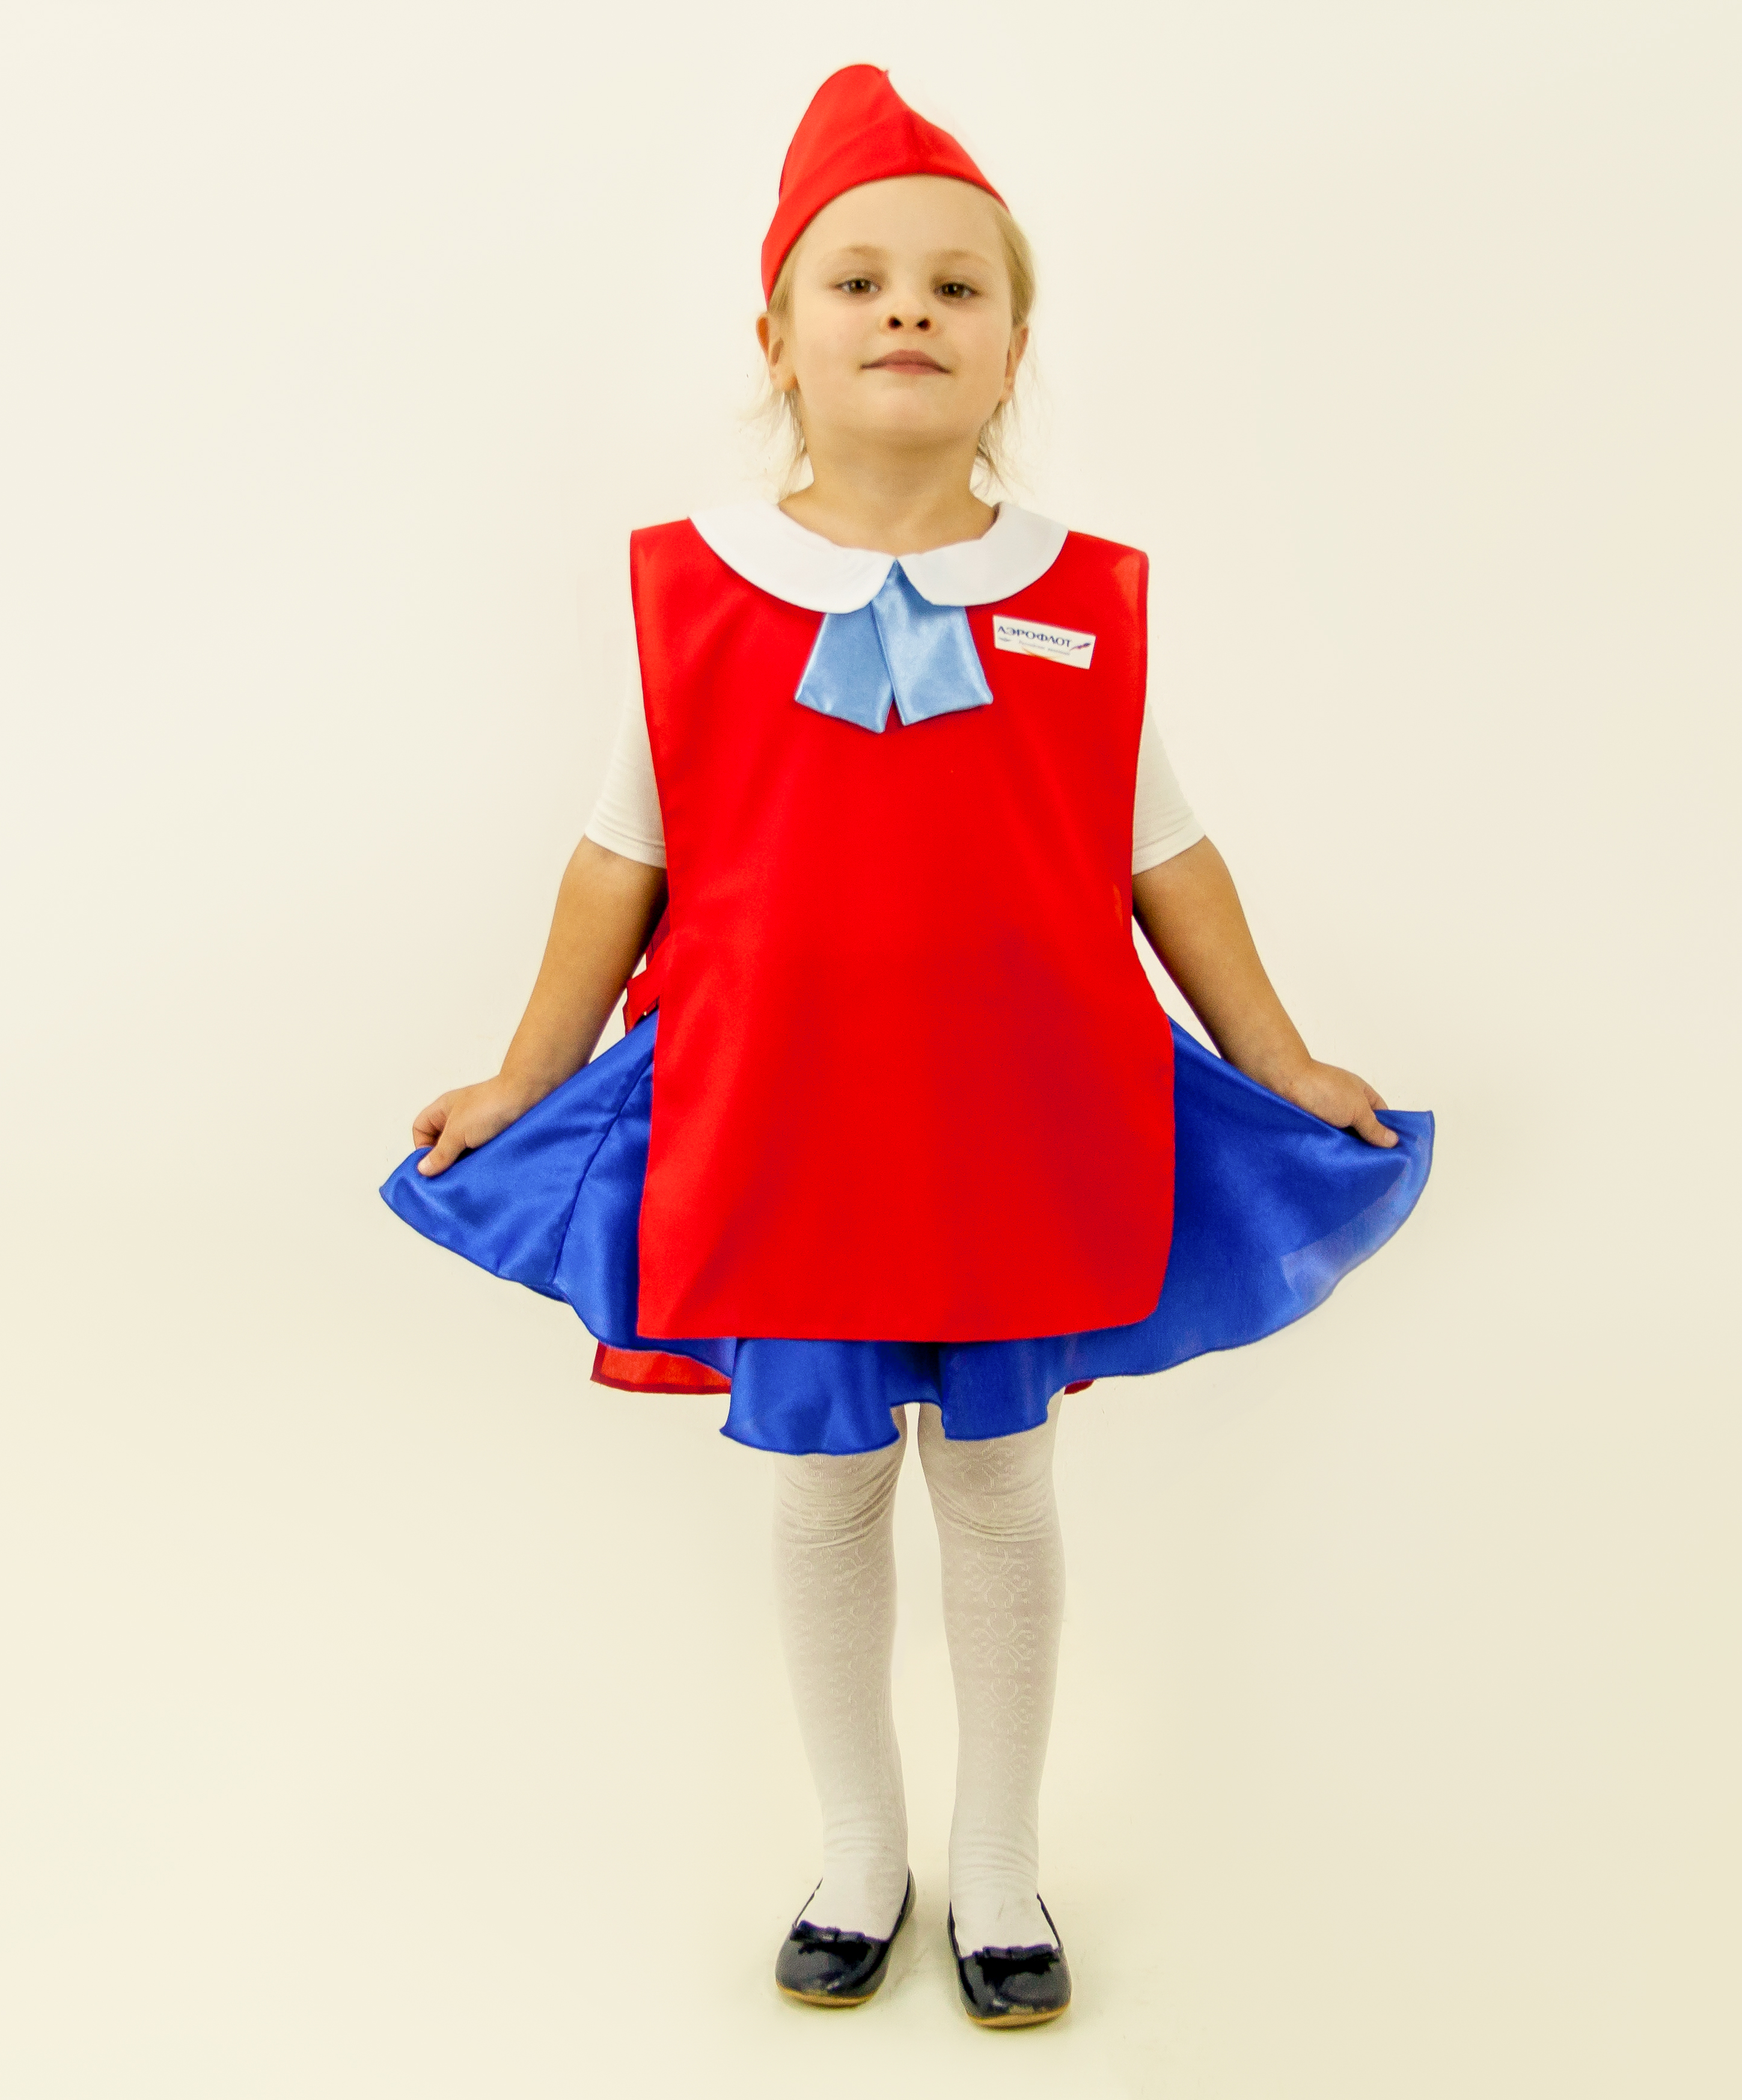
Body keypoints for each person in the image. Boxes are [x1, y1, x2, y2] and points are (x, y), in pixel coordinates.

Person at [383, 64, 1432, 2030]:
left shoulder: (1081, 599)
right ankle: (859, 1853)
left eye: (957, 287)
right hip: (783, 1124)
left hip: (1014, 1123)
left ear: (1013, 346)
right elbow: (620, 857)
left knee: (1002, 1483)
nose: (907, 312)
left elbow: (1163, 855)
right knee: (822, 1488)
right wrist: (524, 1072)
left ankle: (1004, 1862)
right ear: (774, 337)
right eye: (857, 280)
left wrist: (1279, 1058)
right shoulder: (693, 596)